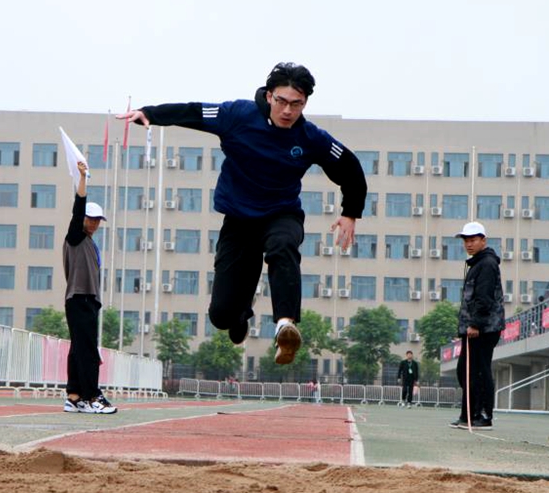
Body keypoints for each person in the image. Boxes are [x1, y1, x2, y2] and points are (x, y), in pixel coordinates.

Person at [117, 62, 367, 365]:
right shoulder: (237, 115)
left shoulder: (310, 137)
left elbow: (350, 166)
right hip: (239, 221)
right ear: (269, 95)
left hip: (281, 214)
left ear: (305, 103)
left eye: (297, 104)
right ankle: (240, 315)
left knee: (283, 246)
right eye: (282, 101)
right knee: (221, 316)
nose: (288, 111)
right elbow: (195, 112)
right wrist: (151, 114)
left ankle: (285, 325)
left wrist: (350, 213)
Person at [62, 162, 117, 414]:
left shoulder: (88, 242)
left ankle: (74, 396)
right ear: (82, 219)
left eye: (97, 220)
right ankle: (93, 396)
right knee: (87, 352)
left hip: (86, 301)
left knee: (78, 349)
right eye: (90, 218)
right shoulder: (76, 236)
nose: (94, 223)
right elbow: (78, 207)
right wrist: (83, 178)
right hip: (80, 299)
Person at [450, 221, 504, 430]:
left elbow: (484, 298)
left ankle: (483, 415)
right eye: (466, 240)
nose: (469, 244)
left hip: (483, 329)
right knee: (465, 371)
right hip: (474, 329)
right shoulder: (477, 264)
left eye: (473, 240)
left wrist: (475, 324)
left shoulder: (487, 264)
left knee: (479, 371)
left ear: (483, 240)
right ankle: (468, 414)